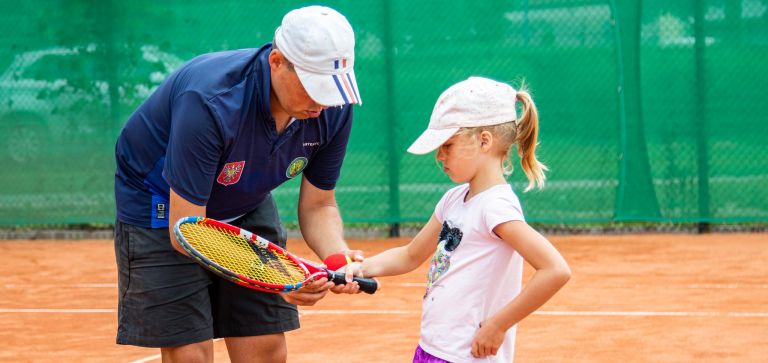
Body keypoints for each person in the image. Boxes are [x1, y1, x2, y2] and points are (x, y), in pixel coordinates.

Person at [113, 6, 364, 362]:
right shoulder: (211, 100)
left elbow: (319, 205)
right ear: (277, 62)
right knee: (190, 355)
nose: (322, 102)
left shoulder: (333, 107)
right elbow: (188, 230)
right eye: (313, 87)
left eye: (330, 88)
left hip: (244, 198)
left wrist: (337, 259)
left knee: (265, 351)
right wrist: (278, 277)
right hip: (163, 204)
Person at [352, 77, 572, 362]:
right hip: (432, 349)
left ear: (484, 141)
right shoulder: (453, 199)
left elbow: (555, 269)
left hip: (465, 357)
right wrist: (362, 268)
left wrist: (498, 325)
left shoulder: (496, 207)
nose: (439, 155)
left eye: (448, 145)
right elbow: (409, 255)